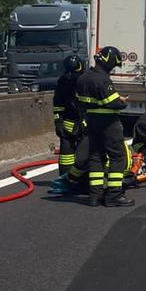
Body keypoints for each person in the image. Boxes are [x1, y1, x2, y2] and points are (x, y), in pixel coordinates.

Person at [76, 46, 133, 207]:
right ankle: (113, 195)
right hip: (108, 123)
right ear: (109, 62)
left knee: (96, 156)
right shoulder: (103, 79)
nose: (114, 68)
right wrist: (122, 101)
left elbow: (84, 100)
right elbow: (113, 103)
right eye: (114, 65)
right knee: (117, 156)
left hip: (91, 121)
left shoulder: (82, 78)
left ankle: (95, 195)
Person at [49, 55, 89, 194]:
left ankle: (83, 182)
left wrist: (84, 123)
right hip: (68, 122)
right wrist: (58, 121)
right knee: (66, 153)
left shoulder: (87, 81)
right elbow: (58, 104)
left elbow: (91, 105)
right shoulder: (63, 81)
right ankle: (64, 181)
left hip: (86, 124)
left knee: (85, 155)